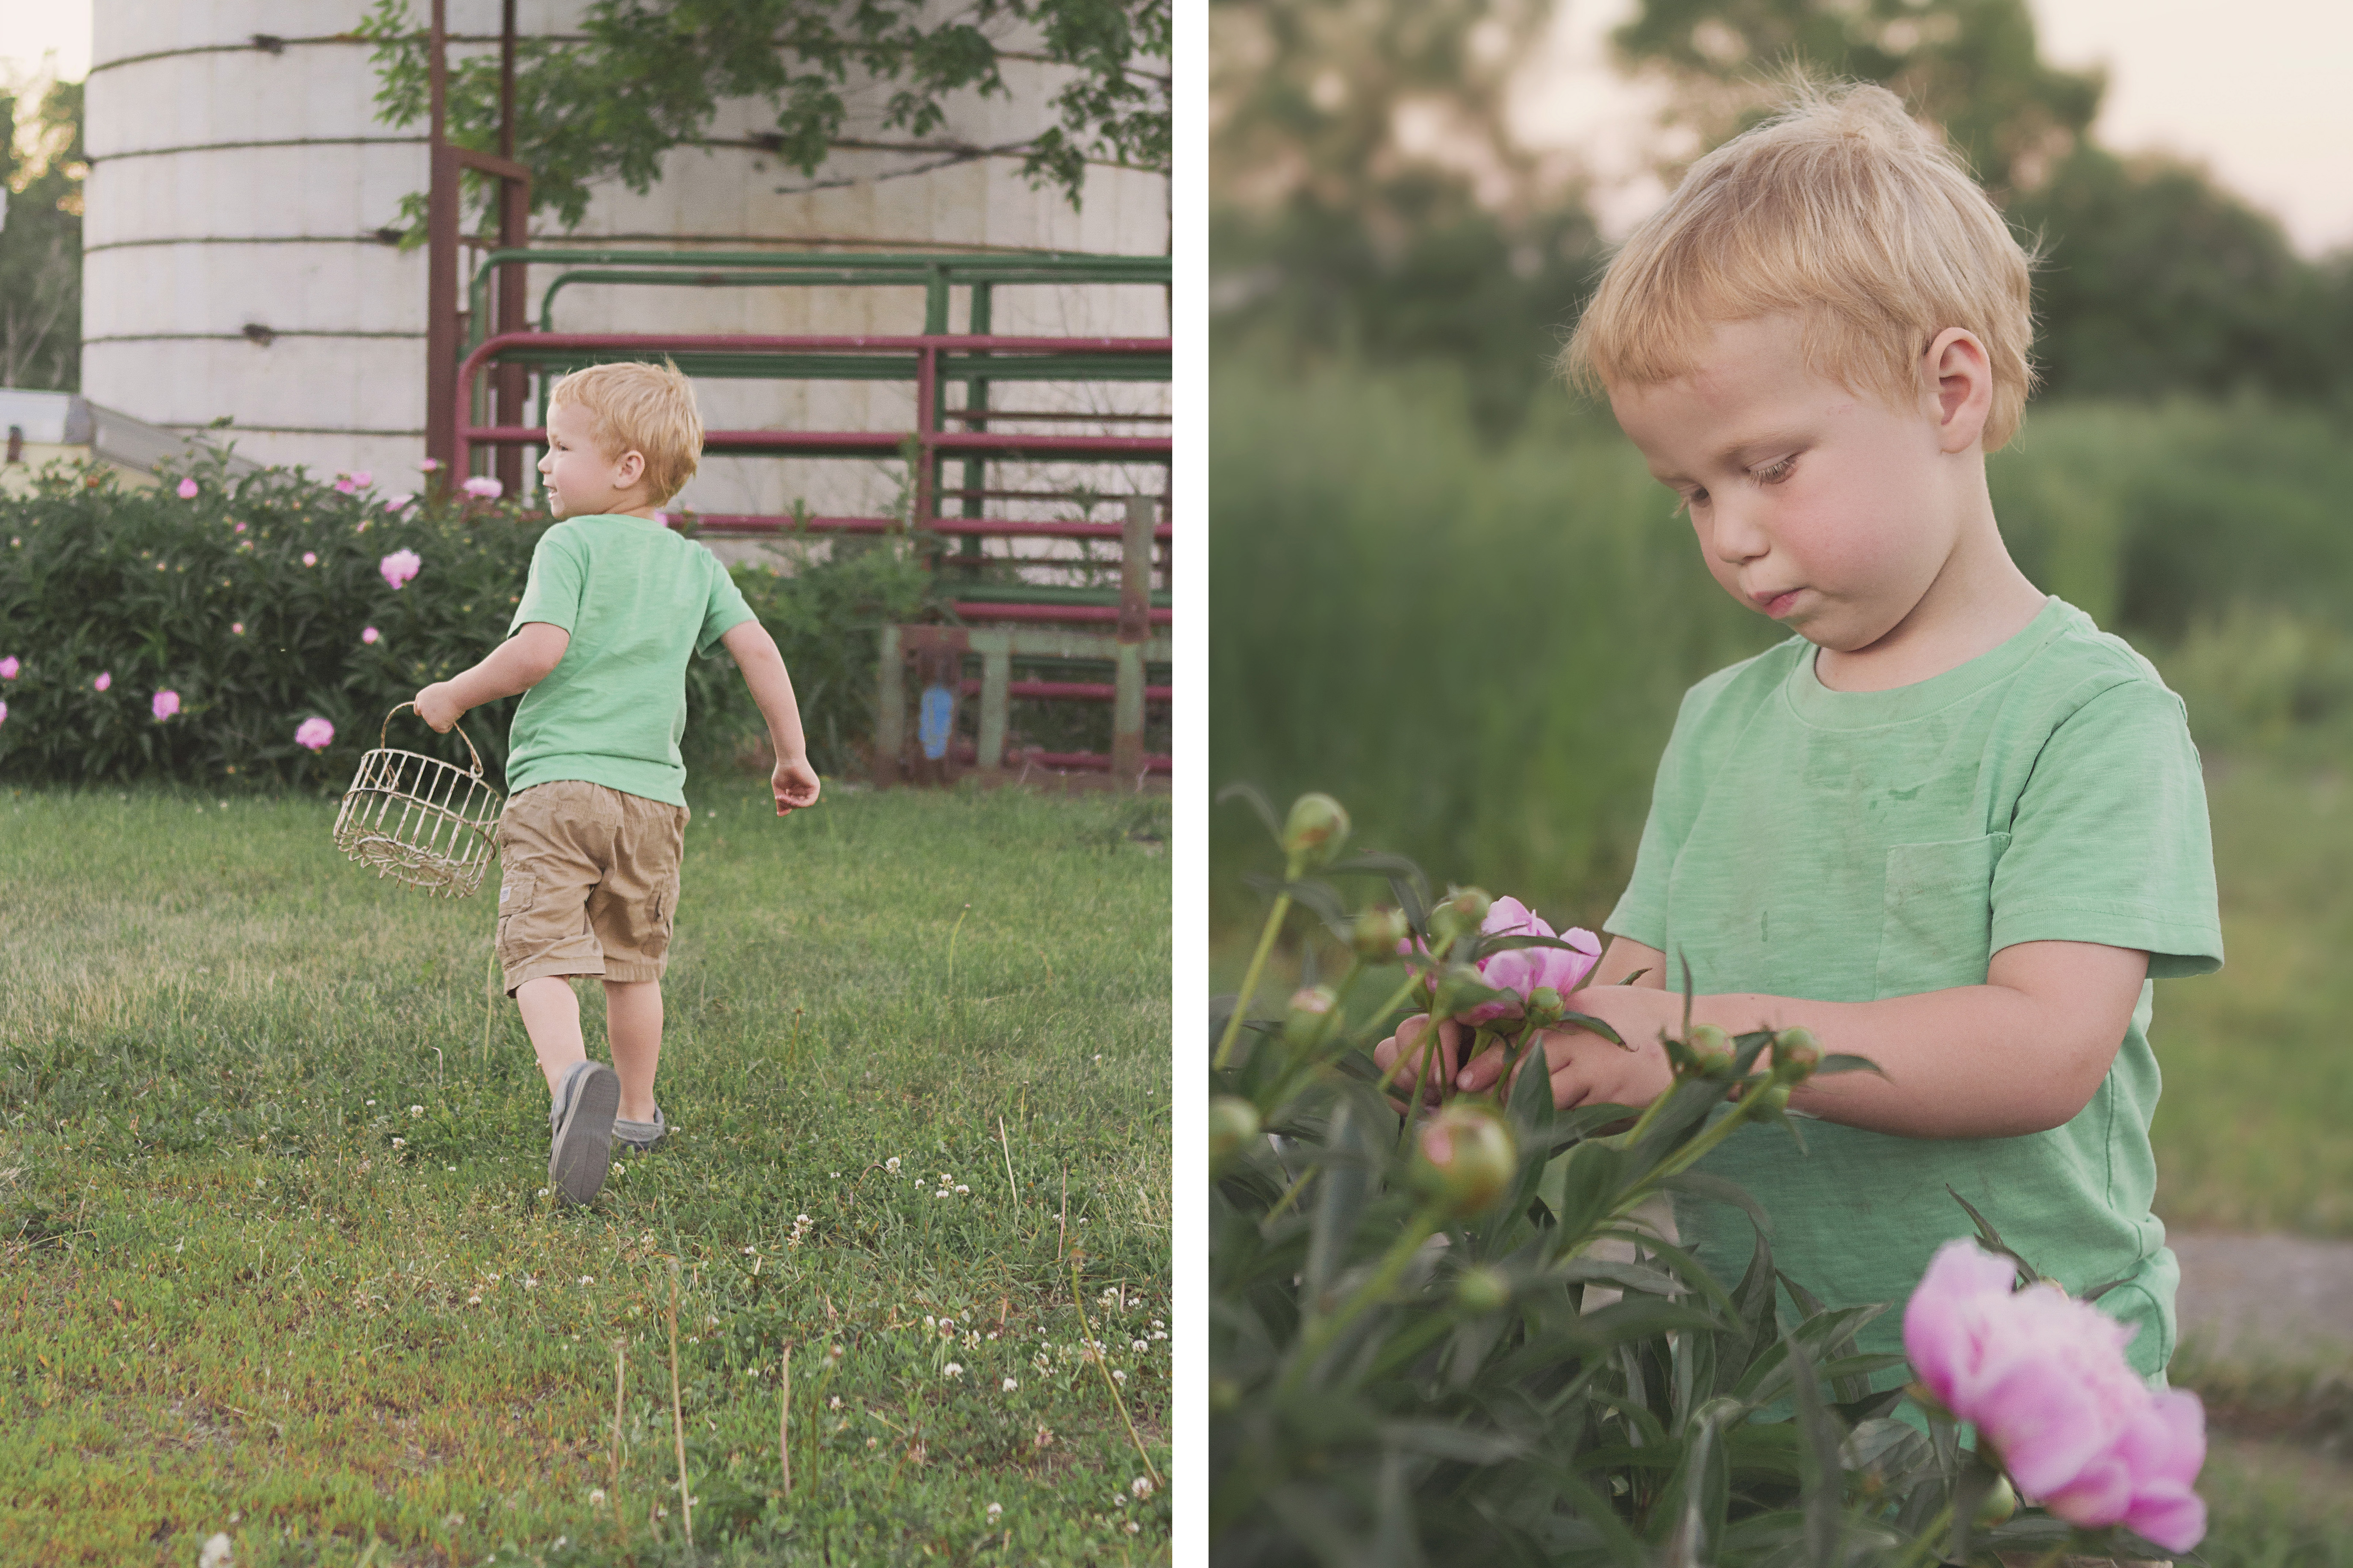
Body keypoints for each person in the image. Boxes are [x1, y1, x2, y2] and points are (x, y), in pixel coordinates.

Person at [1376, 82, 2222, 1424]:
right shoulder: (1722, 721)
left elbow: (2041, 1049)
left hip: (2014, 1409)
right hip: (1723, 1384)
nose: (1730, 534)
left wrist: (1699, 1040)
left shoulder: (2086, 714)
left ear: (1950, 388)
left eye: (1768, 465)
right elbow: (1646, 996)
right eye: (1691, 494)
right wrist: (1528, 1033)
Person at [415, 359, 821, 1206]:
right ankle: (634, 1110)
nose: (544, 463)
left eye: (560, 446)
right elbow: (757, 650)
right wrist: (791, 753)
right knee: (635, 964)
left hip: (559, 788)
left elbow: (539, 651)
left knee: (539, 953)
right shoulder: (695, 565)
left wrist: (452, 693)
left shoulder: (568, 542)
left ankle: (571, 1081)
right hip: (652, 802)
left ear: (626, 466)